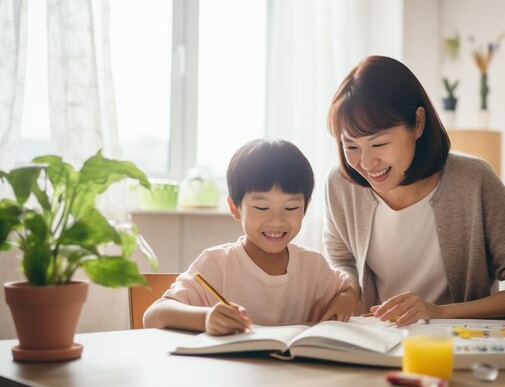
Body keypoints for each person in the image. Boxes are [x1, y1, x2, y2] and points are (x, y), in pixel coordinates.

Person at [324, 55, 505, 327]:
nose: (367, 163)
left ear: (418, 123)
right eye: (351, 147)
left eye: (379, 144)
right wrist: (348, 292)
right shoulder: (341, 186)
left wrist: (439, 312)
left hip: (461, 345)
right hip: (378, 344)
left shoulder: (474, 180)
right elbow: (341, 258)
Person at [144, 139, 360, 335]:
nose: (277, 220)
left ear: (306, 207)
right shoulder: (217, 263)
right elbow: (154, 315)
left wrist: (346, 299)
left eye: (291, 207)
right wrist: (206, 318)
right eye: (262, 207)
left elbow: (348, 286)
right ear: (235, 208)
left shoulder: (313, 265)